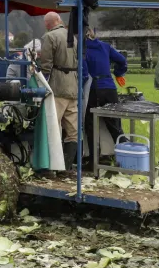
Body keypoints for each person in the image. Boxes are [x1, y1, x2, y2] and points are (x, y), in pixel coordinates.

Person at [38, 11, 89, 170]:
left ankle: (54, 166)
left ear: (47, 24)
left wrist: (41, 84)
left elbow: (46, 65)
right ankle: (67, 167)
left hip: (58, 87)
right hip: (73, 86)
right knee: (73, 130)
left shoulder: (49, 37)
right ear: (59, 20)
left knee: (53, 126)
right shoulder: (72, 36)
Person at [83, 27, 127, 164]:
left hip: (94, 89)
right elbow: (122, 60)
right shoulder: (105, 46)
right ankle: (125, 157)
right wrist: (118, 73)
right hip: (110, 88)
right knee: (115, 125)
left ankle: (93, 160)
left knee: (90, 125)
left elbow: (84, 74)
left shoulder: (82, 49)